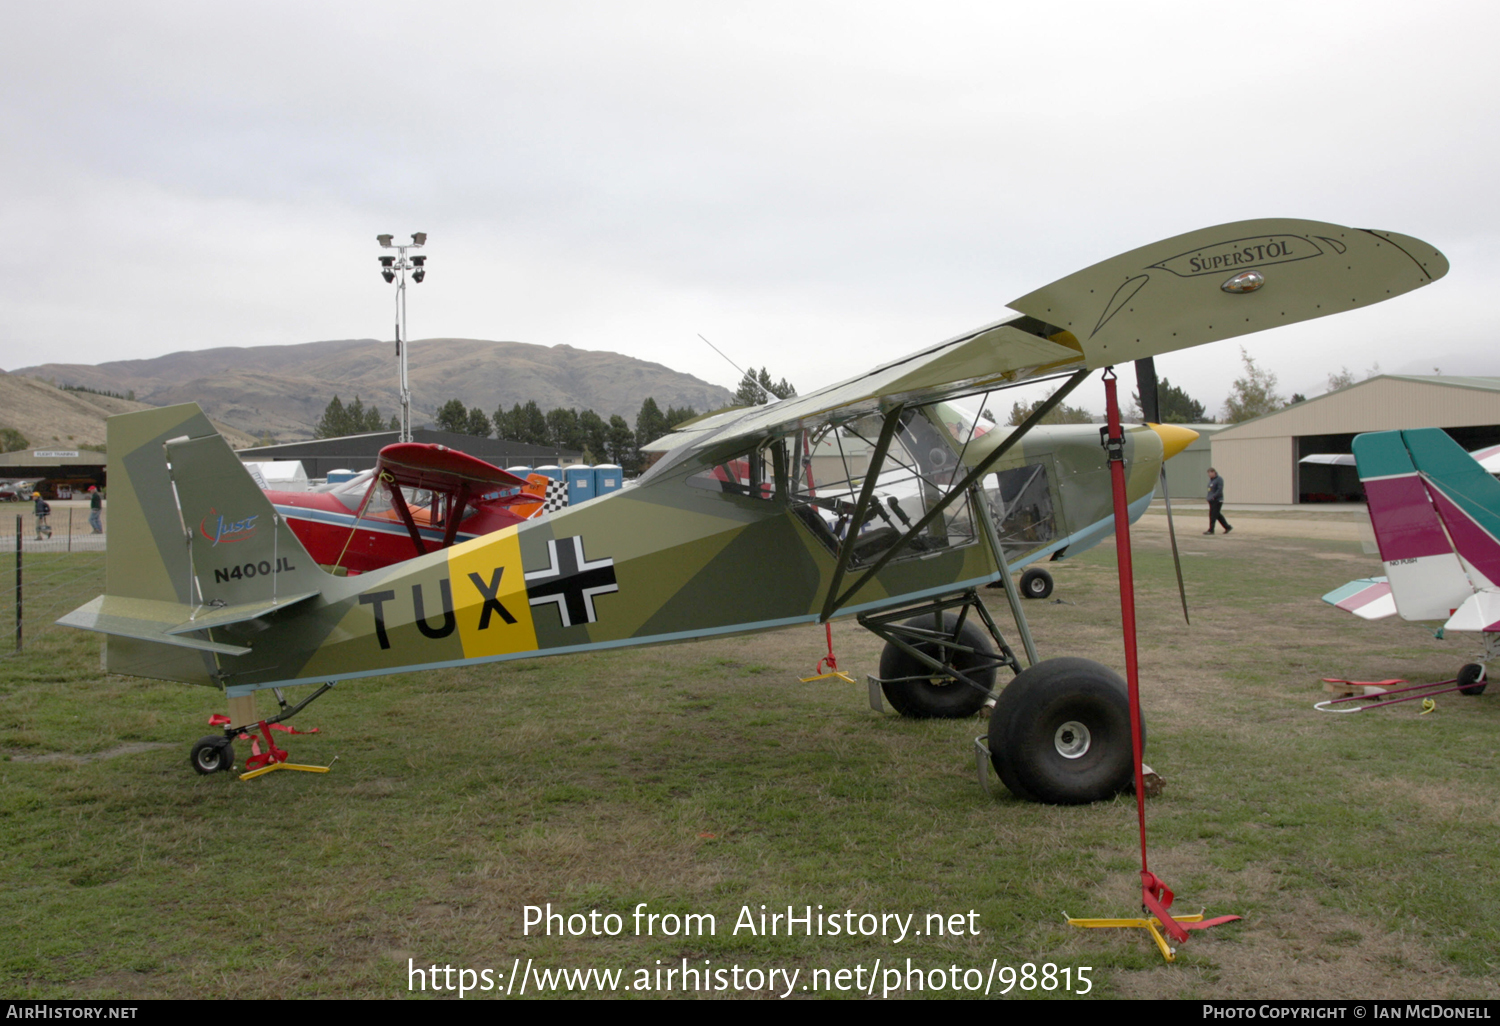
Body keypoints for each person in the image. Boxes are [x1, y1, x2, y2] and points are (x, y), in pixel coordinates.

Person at [1205, 468, 1231, 535]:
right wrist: (1208, 497)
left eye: (1210, 473)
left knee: (1213, 515)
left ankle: (1211, 530)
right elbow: (1210, 490)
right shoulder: (1211, 480)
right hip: (1211, 500)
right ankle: (1228, 527)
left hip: (1217, 500)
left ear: (1214, 472)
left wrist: (1213, 497)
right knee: (1217, 515)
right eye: (1208, 474)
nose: (1209, 475)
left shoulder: (1219, 479)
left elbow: (1219, 490)